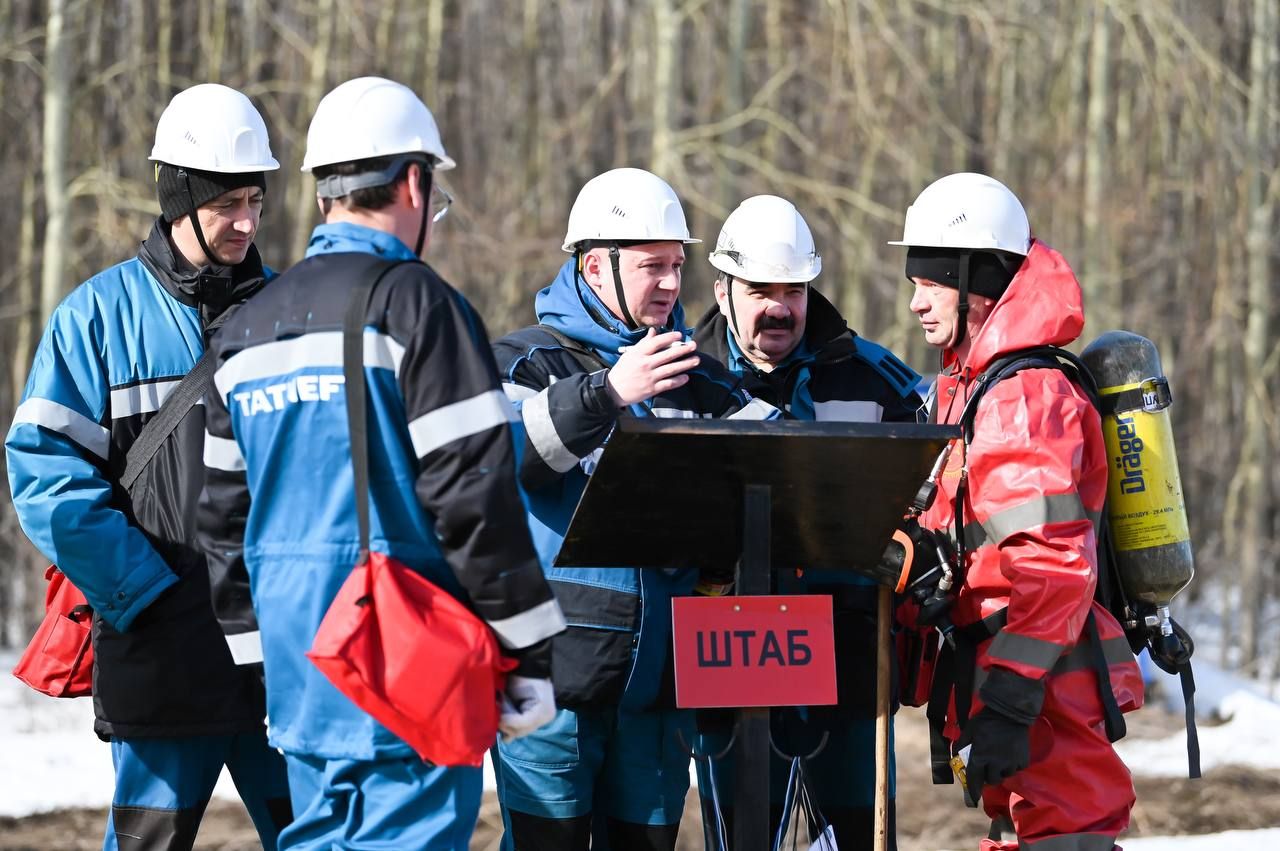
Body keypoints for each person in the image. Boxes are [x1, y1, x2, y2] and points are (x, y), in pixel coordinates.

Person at [194, 76, 566, 851]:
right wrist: (527, 647)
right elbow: (474, 499)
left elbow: (220, 522)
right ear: (412, 181)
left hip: (303, 669)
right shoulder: (419, 307)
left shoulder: (246, 330)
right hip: (410, 665)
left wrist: (264, 662)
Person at [6, 84, 292, 850]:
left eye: (255, 201)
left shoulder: (291, 315)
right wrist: (140, 591)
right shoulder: (92, 320)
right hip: (163, 651)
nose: (246, 221)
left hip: (278, 659)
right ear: (179, 196)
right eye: (228, 201)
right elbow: (45, 474)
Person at [491, 167, 777, 851]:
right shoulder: (522, 359)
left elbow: (780, 462)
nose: (672, 285)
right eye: (654, 266)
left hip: (661, 689)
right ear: (595, 266)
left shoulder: (699, 376)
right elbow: (507, 461)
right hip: (548, 686)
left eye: (678, 266)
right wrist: (608, 392)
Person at [892, 172, 1143, 850]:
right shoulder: (975, 385)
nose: (915, 300)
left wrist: (1009, 698)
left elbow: (1054, 567)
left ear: (978, 281)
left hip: (1041, 680)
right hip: (1011, 672)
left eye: (930, 280)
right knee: (1022, 832)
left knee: (1067, 835)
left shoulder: (1023, 397)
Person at [691, 194, 922, 847]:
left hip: (849, 660)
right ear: (723, 289)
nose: (779, 307)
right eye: (760, 290)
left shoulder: (877, 383)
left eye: (792, 289)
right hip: (729, 657)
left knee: (857, 833)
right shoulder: (682, 375)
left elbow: (932, 491)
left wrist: (907, 538)